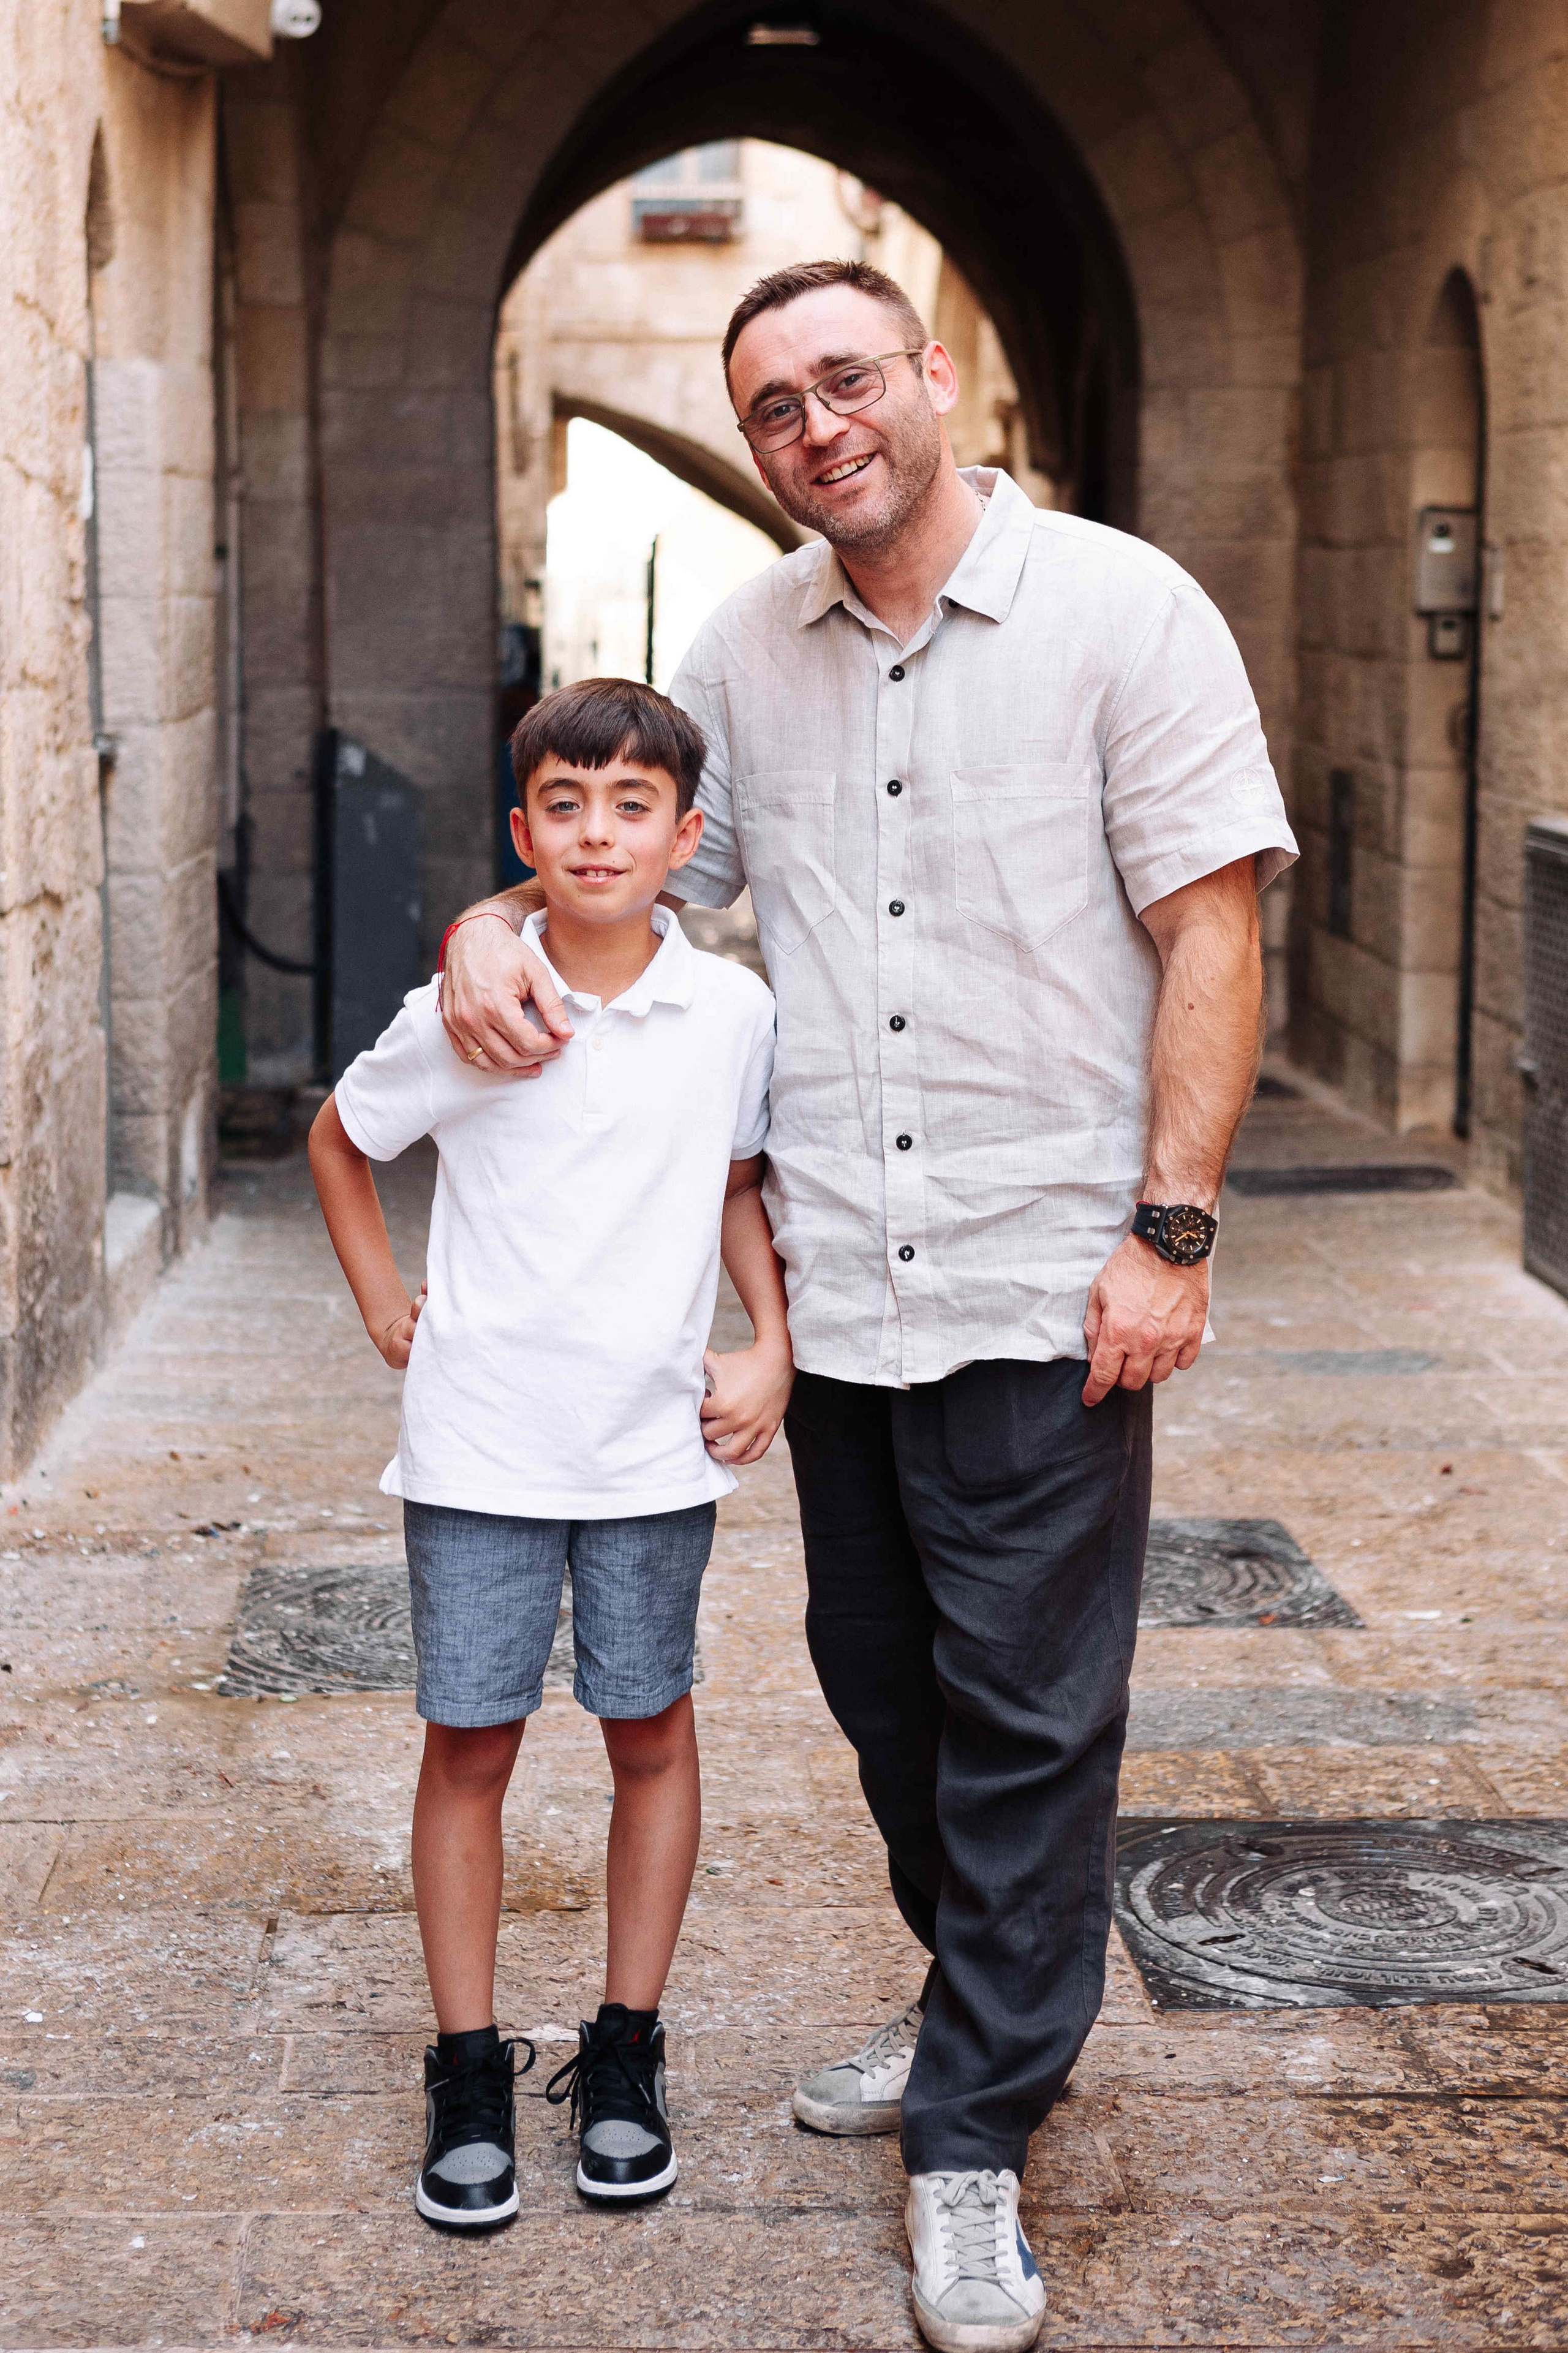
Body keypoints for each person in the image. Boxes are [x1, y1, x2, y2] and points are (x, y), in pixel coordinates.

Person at [439, 260, 1297, 2345]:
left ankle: (975, 2137)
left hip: (1044, 1275)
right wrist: (487, 923)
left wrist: (1169, 1233)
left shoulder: (1124, 609)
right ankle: (987, 2007)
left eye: (846, 380)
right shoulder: (742, 646)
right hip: (837, 1282)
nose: (816, 425)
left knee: (1028, 1717)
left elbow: (1211, 932)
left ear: (928, 380)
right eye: (772, 407)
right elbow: (643, 884)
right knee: (886, 1690)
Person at [309, 676, 791, 2229]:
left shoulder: (727, 1010)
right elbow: (341, 1135)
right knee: (471, 1747)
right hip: (480, 1453)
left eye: (631, 806)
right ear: (522, 834)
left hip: (652, 1450)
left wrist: (765, 1339)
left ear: (683, 837)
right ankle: (465, 2066)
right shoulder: (475, 1005)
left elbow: (735, 1182)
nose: (597, 835)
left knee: (649, 1729)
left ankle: (627, 2048)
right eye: (564, 809)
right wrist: (388, 1300)